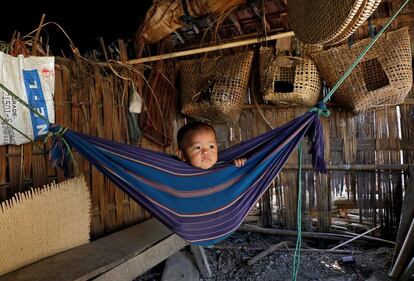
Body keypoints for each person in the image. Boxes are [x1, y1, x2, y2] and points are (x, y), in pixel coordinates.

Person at [177, 121, 246, 169]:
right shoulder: (179, 172)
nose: (206, 152)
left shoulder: (223, 166)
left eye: (211, 147)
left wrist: (238, 165)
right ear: (182, 155)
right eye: (198, 147)